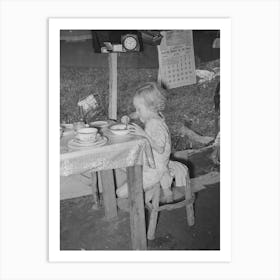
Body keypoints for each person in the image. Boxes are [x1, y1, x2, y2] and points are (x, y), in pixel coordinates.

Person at [116, 82, 173, 203]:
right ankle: (154, 186)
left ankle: (155, 184)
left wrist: (143, 134)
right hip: (149, 161)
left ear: (151, 108)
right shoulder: (153, 115)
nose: (137, 111)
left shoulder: (156, 125)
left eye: (139, 109)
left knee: (120, 193)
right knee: (124, 163)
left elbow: (160, 149)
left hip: (155, 168)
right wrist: (129, 117)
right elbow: (137, 115)